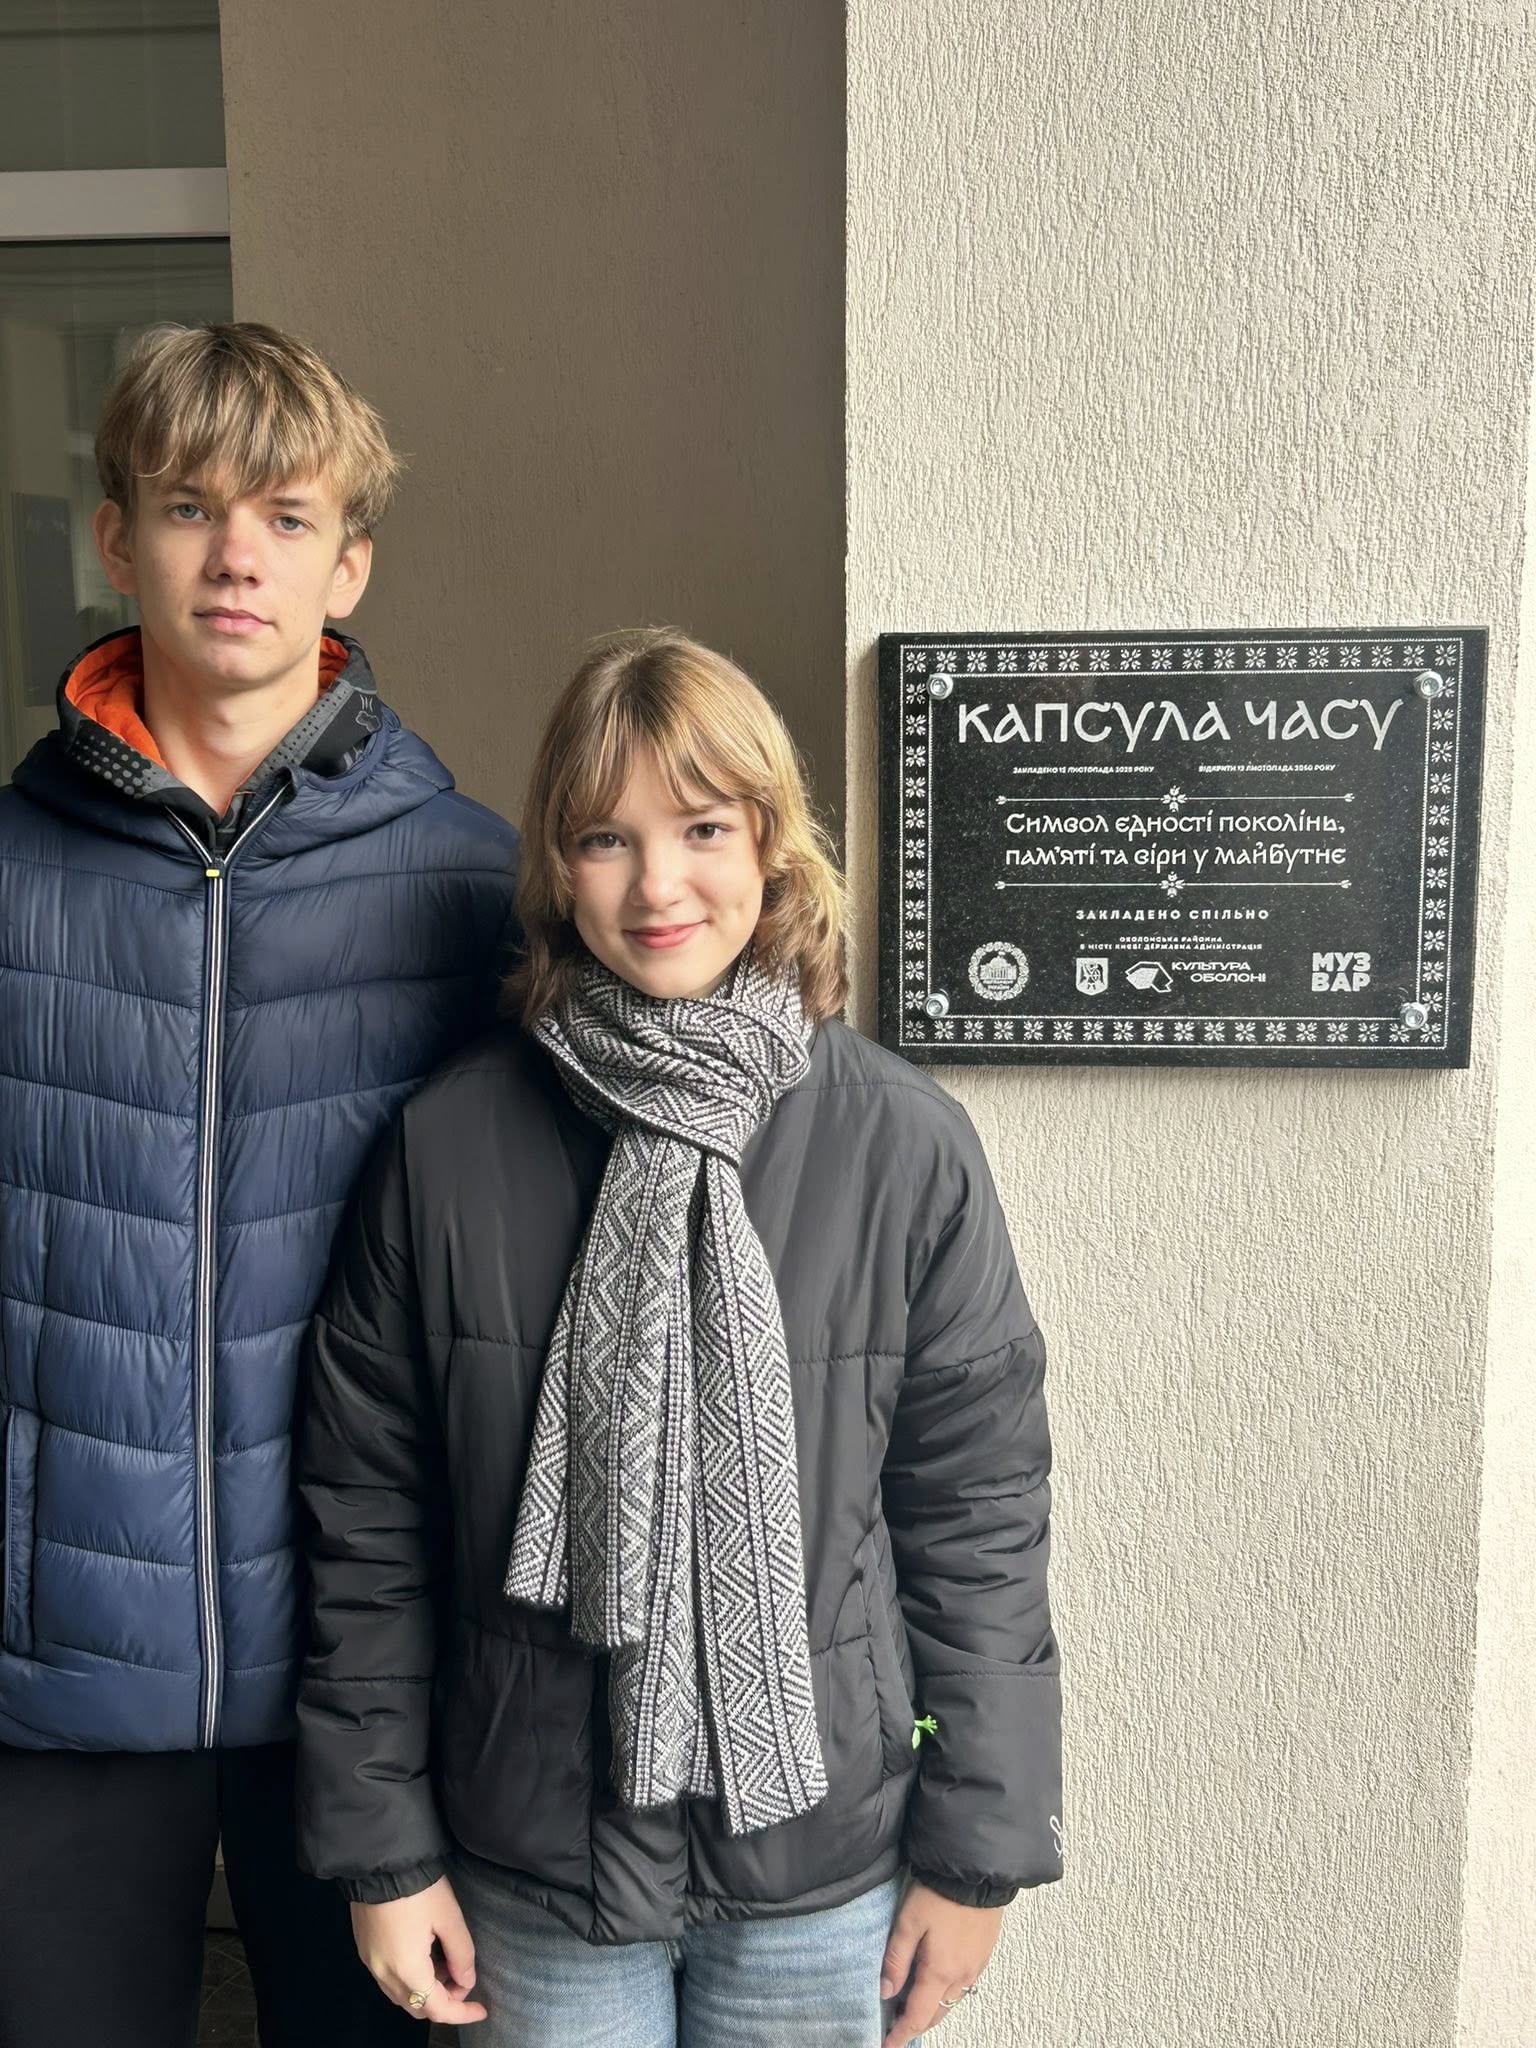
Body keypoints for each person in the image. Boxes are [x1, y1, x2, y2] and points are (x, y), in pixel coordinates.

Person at [296, 630, 1060, 2048]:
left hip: (820, 1863)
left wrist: (977, 1853)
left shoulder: (903, 1144)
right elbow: (367, 1523)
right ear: (556, 865)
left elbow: (978, 1520)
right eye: (607, 838)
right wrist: (383, 1852)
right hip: (532, 1861)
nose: (658, 886)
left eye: (702, 828)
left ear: (771, 842)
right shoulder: (446, 1145)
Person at [0, 322, 519, 2048]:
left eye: (287, 517)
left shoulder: (473, 889)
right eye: (190, 507)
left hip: (373, 1680)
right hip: (48, 1675)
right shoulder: (6, 877)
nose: (237, 555)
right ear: (116, 539)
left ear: (346, 564)